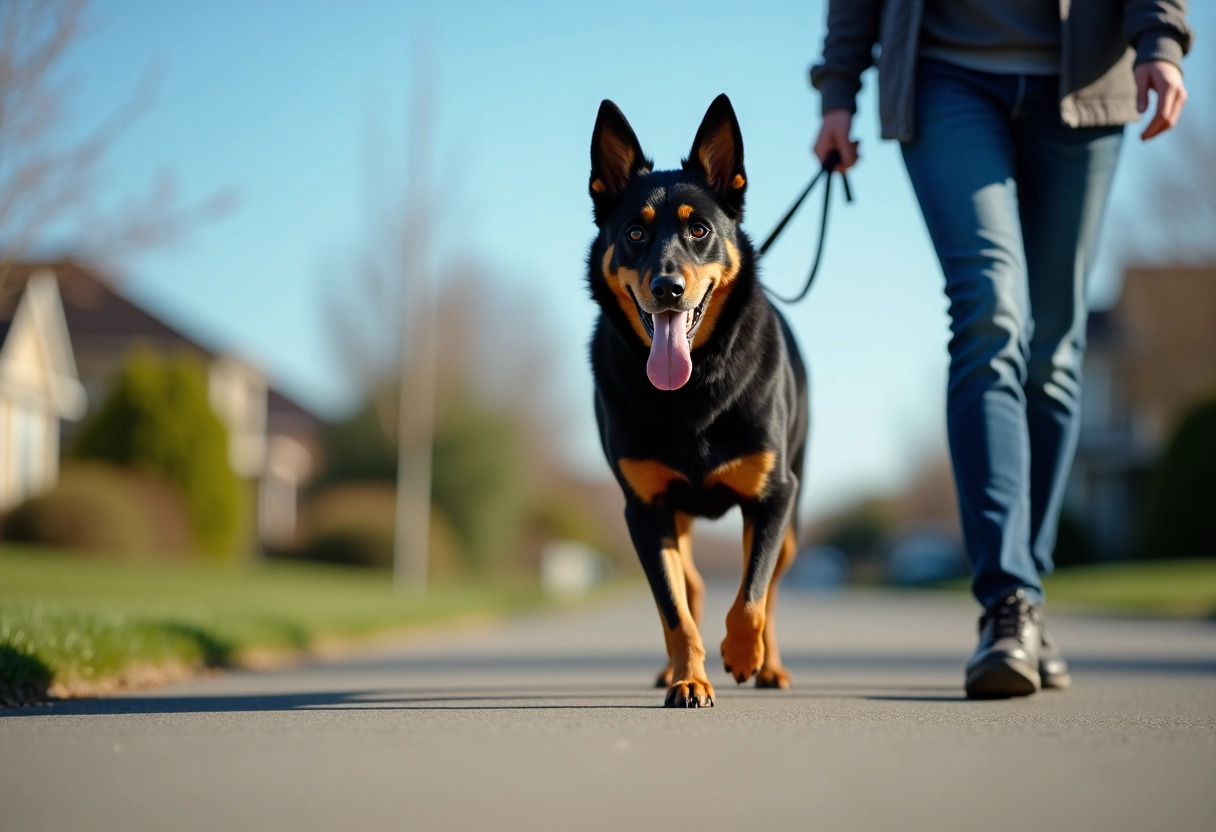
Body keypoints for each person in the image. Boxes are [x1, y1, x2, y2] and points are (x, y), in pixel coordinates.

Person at [811, 1, 1192, 698]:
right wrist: (839, 91)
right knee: (990, 311)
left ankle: (1028, 600)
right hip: (944, 77)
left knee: (1055, 351)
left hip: (1083, 84)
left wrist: (1159, 40)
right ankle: (1007, 602)